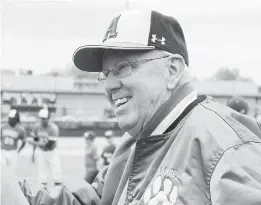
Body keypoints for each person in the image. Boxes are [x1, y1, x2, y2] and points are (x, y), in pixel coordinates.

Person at [16, 10, 261, 205]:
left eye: (123, 67)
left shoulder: (226, 144)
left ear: (172, 70)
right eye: (105, 73)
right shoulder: (134, 141)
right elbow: (94, 200)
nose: (110, 85)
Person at [26, 108, 62, 186]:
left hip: (52, 151)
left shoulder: (53, 128)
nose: (42, 120)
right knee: (42, 174)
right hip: (41, 151)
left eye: (44, 119)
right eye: (41, 118)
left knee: (56, 172)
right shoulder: (37, 127)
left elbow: (49, 144)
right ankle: (43, 192)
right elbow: (35, 139)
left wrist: (33, 143)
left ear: (48, 118)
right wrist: (33, 153)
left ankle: (58, 191)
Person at [1, 109, 26, 177]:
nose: (10, 120)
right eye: (10, 118)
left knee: (11, 171)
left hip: (13, 151)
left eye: (12, 118)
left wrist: (18, 151)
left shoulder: (20, 130)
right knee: (2, 170)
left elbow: (24, 142)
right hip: (3, 150)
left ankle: (10, 186)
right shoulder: (3, 127)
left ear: (16, 119)